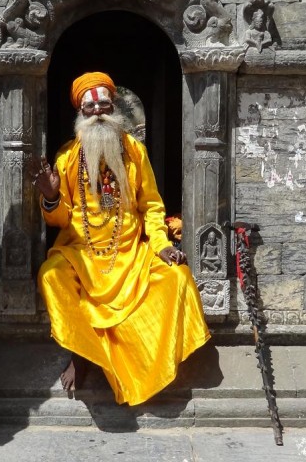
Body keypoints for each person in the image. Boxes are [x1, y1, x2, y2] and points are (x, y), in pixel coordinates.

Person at [31, 72, 210, 406]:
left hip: (129, 253)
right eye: (90, 106)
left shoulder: (134, 152)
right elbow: (60, 219)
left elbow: (152, 207)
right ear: (79, 113)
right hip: (80, 254)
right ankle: (81, 352)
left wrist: (163, 246)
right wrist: (52, 197)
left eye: (104, 104)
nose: (98, 111)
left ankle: (147, 363)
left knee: (177, 278)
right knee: (50, 276)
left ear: (113, 107)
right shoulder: (67, 158)